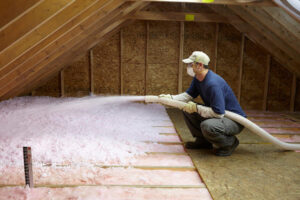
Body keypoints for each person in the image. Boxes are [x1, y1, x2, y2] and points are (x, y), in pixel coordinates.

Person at [159, 51, 246, 156]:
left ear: (200, 65)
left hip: (234, 120)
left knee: (208, 126)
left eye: (191, 65)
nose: (188, 67)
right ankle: (203, 141)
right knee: (186, 108)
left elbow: (218, 113)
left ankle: (230, 143)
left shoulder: (212, 84)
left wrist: (196, 108)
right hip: (220, 114)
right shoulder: (198, 79)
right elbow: (187, 96)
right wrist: (170, 98)